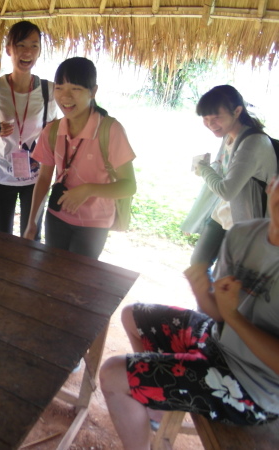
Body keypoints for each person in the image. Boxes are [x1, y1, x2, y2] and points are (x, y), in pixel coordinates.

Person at [100, 175, 279, 450]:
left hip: (253, 388)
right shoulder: (244, 235)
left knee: (113, 374)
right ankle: (156, 408)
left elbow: (231, 317)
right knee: (132, 315)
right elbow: (219, 314)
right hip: (217, 339)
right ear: (272, 185)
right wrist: (203, 294)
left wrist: (233, 317)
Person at [22, 57, 136, 259]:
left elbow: (129, 186)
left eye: (75, 88)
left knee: (78, 275)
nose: (65, 96)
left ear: (93, 91)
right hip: (56, 216)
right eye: (59, 88)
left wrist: (88, 189)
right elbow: (44, 178)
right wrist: (32, 222)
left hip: (94, 223)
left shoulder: (110, 130)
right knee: (53, 270)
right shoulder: (52, 130)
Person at [182, 85, 276, 273]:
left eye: (216, 117)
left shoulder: (253, 143)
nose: (211, 124)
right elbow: (221, 169)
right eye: (206, 118)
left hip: (248, 221)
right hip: (223, 213)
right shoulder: (229, 136)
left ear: (237, 111)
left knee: (227, 276)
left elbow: (226, 190)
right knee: (198, 263)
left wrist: (204, 169)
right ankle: (207, 292)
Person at [0, 21, 57, 239]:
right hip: (1, 174)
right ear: (9, 49)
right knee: (1, 236)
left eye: (34, 46)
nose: (28, 52)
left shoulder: (48, 90)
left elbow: (54, 131)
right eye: (21, 45)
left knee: (32, 236)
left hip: (36, 177)